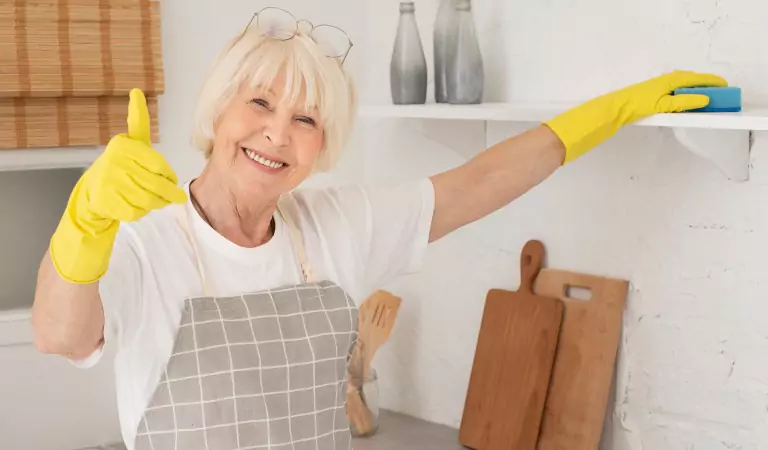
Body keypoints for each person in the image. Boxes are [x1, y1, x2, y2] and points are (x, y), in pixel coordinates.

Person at [31, 6, 726, 450]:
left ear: (321, 146)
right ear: (217, 111)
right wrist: (84, 221)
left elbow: (480, 182)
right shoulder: (146, 238)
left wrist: (612, 111)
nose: (277, 133)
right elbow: (61, 335)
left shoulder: (335, 228)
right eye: (261, 103)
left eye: (306, 119)